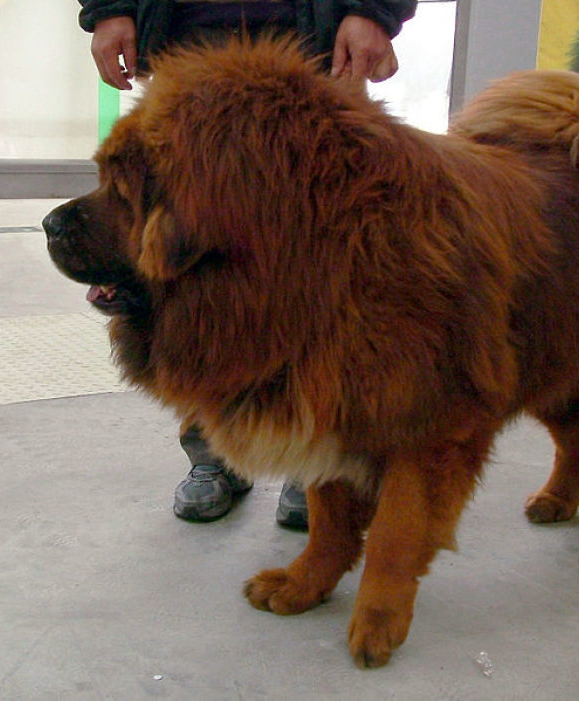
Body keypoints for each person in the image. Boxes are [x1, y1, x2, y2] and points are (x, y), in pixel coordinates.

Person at [77, 0, 417, 527]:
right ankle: (212, 450)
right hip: (186, 35)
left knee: (320, 260)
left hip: (315, 38)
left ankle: (320, 463)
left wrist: (372, 9)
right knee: (188, 266)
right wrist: (111, 7)